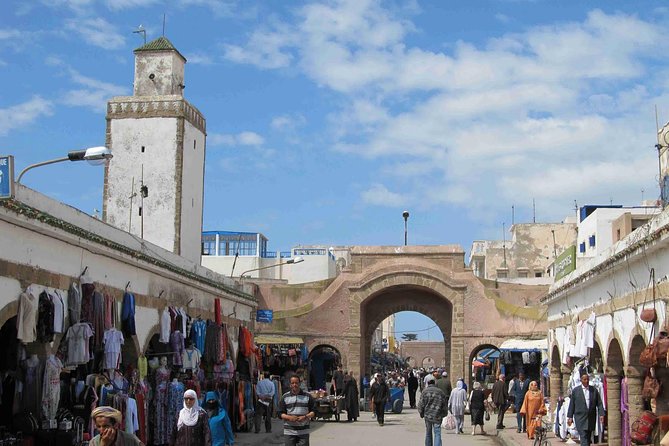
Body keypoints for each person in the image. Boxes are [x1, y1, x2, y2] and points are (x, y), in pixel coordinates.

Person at [567, 372, 605, 446]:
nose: (586, 381)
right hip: (580, 418)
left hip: (590, 418)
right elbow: (572, 404)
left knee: (588, 438)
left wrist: (601, 414)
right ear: (581, 380)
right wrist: (570, 417)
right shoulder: (576, 391)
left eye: (587, 379)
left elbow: (599, 403)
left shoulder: (593, 390)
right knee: (583, 437)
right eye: (584, 379)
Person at [279, 374, 316, 446]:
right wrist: (290, 417)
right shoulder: (285, 397)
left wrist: (305, 417)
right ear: (290, 385)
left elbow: (314, 411)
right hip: (289, 432)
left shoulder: (307, 396)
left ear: (300, 383)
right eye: (292, 383)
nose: (294, 385)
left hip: (303, 431)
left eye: (296, 383)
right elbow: (280, 413)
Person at [418, 375, 447, 446]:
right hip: (437, 415)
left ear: (428, 383)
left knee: (428, 432)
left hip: (427, 415)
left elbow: (421, 404)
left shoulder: (425, 392)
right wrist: (444, 414)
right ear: (434, 383)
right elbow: (444, 405)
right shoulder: (440, 392)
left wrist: (421, 413)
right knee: (437, 433)